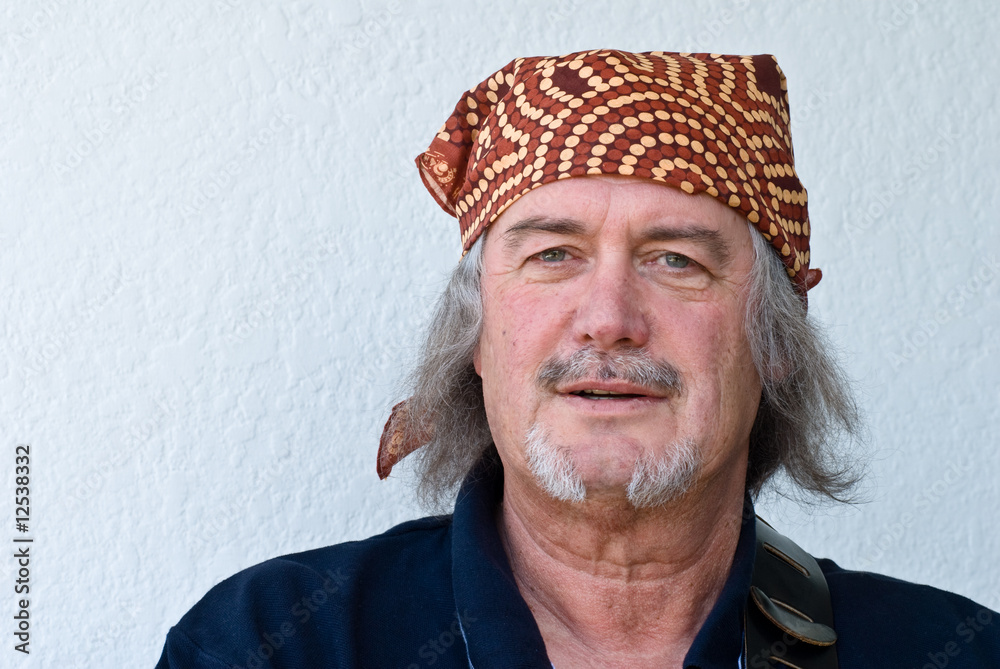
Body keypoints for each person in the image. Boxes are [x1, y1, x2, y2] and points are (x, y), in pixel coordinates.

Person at [155, 49, 1000, 669]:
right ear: (477, 336)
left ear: (774, 341)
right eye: (553, 255)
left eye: (678, 261)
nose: (608, 319)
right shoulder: (275, 643)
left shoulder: (950, 652)